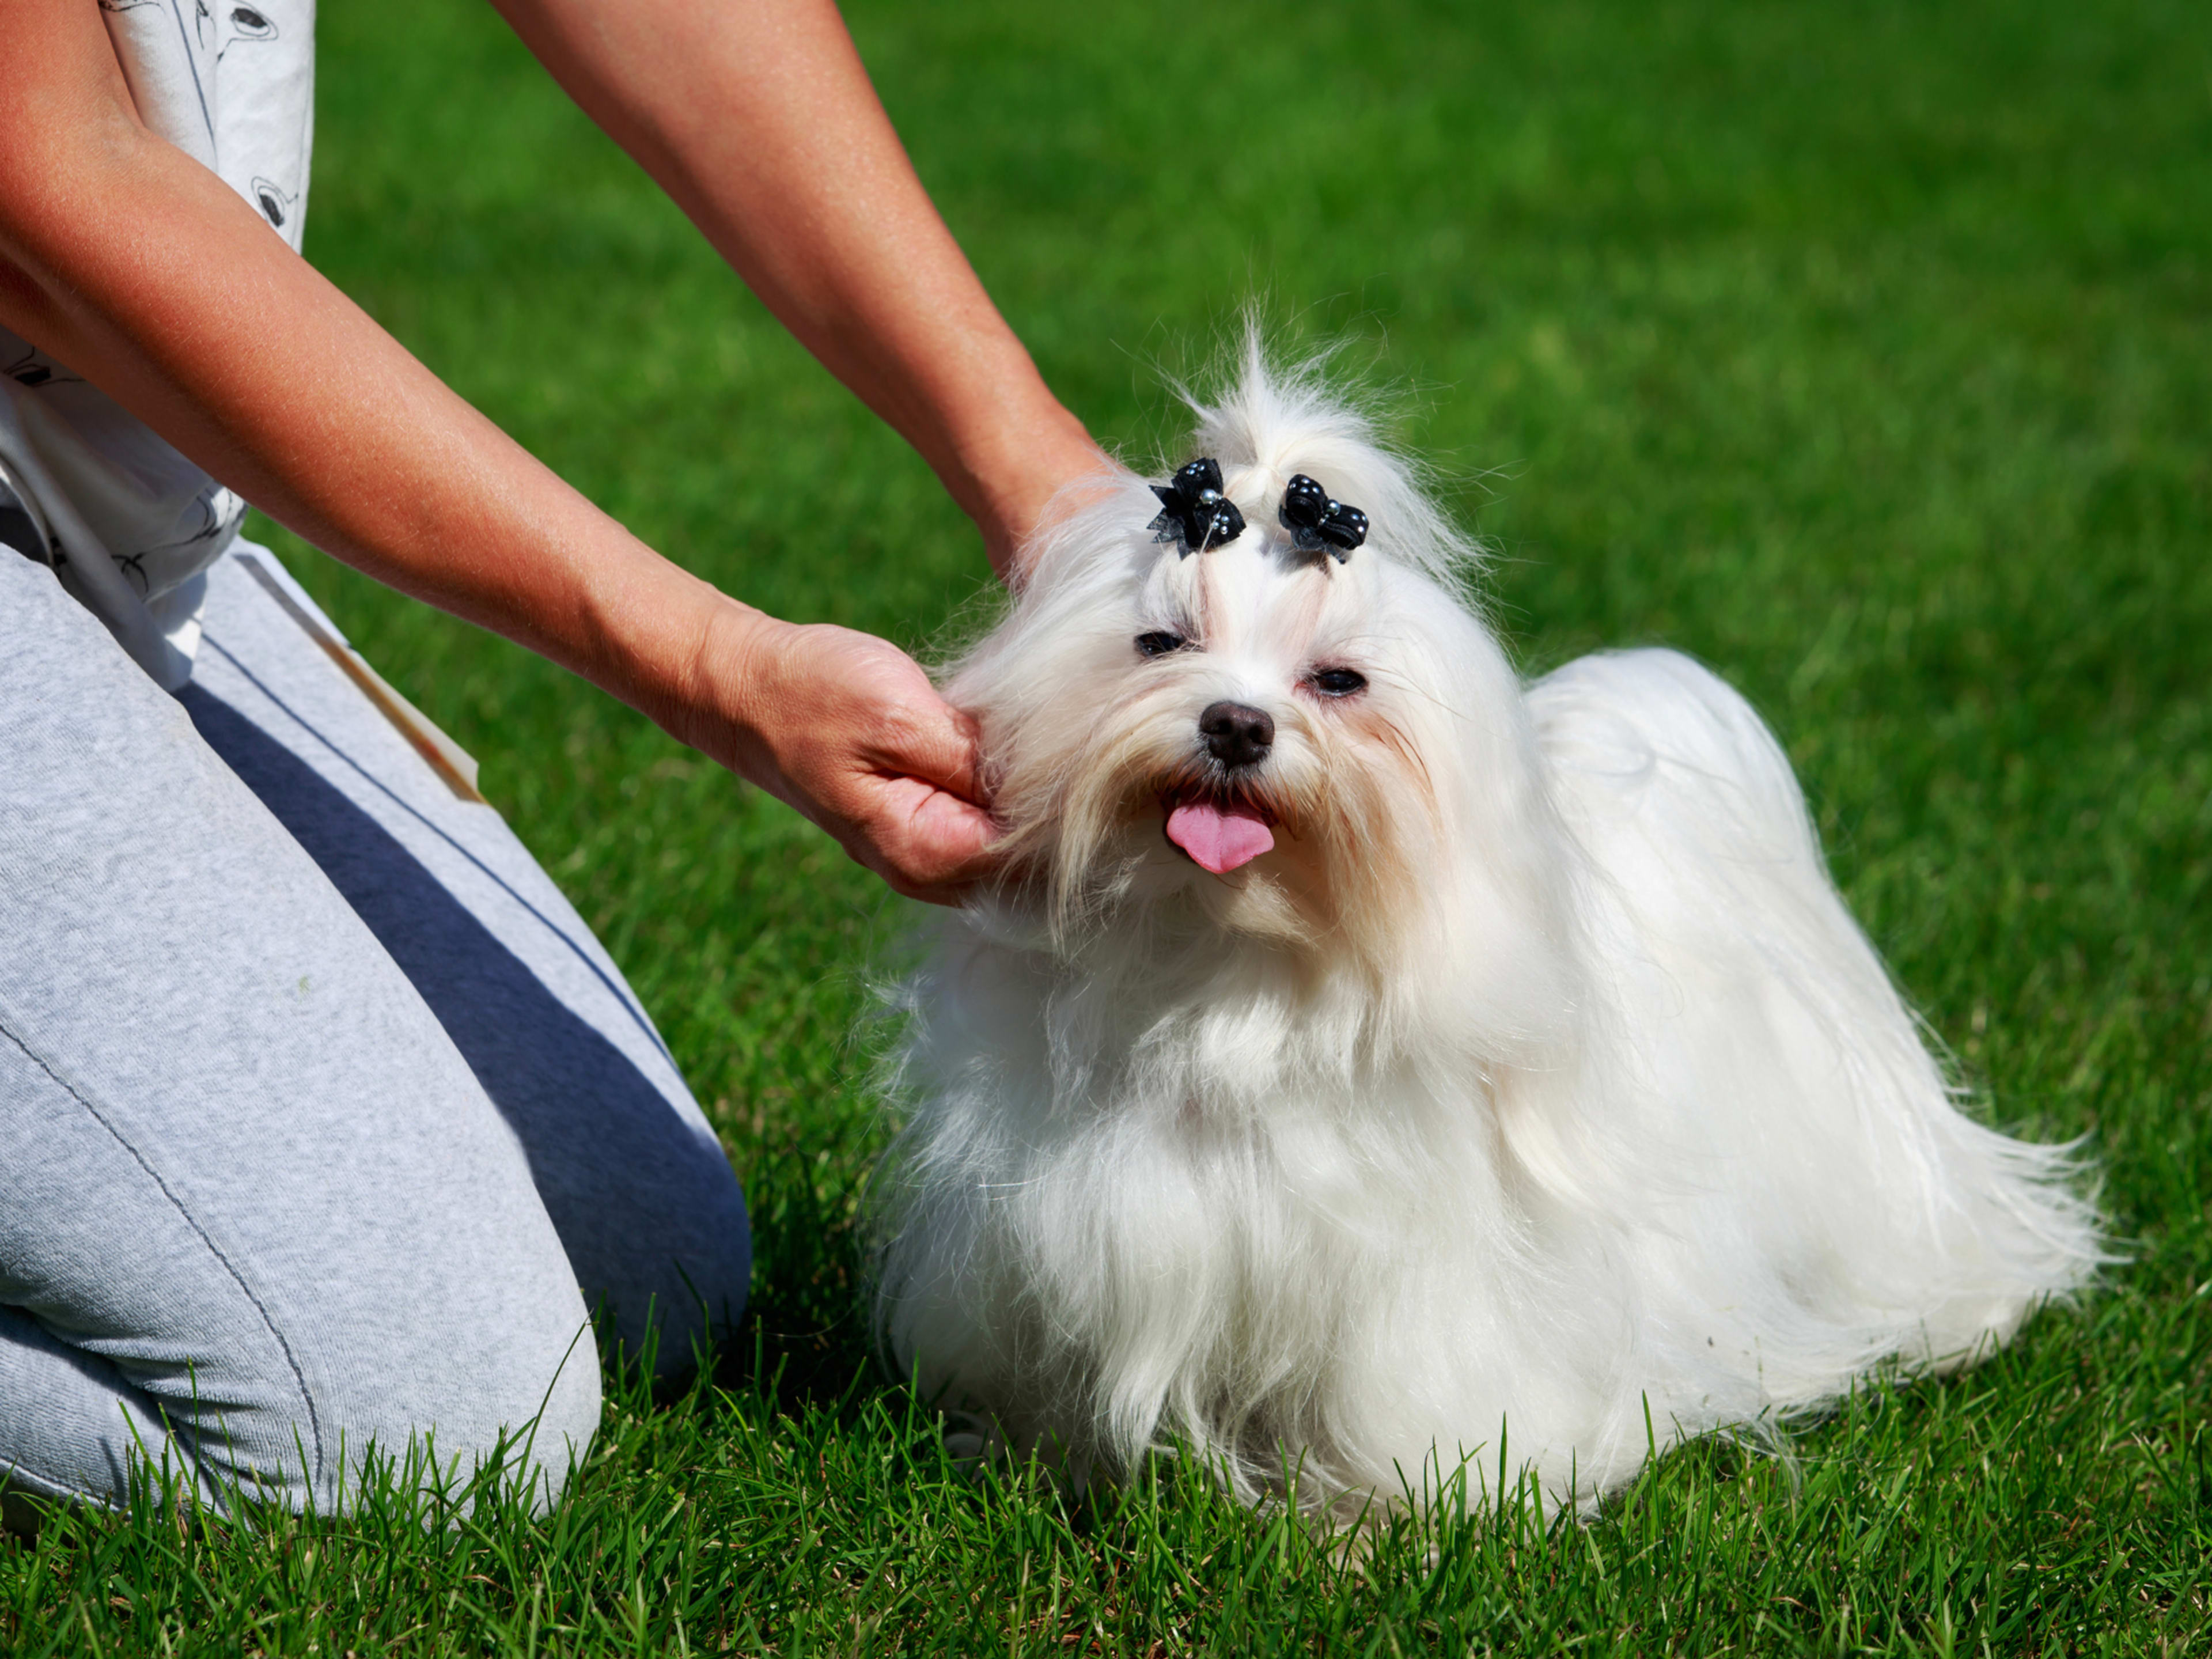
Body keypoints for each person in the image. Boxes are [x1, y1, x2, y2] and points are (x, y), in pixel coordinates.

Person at [0, 0, 1104, 1520]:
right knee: (402, 1432)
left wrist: (1036, 466)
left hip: (100, 483)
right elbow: (42, 177)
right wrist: (711, 665)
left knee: (641, 1254)